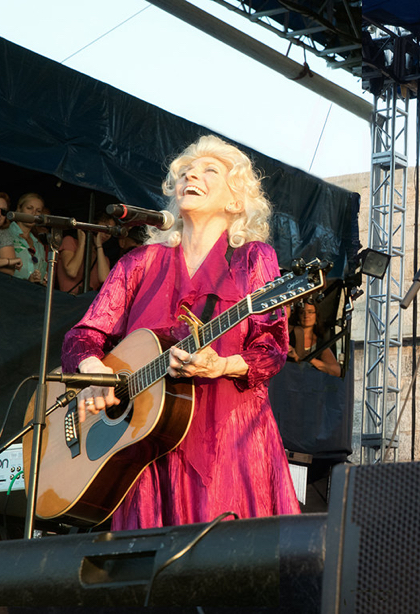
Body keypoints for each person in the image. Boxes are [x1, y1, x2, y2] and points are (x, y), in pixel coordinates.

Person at [63, 134, 300, 529]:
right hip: (144, 442)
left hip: (228, 433)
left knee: (228, 562)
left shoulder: (254, 258)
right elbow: (83, 335)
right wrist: (95, 373)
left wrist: (221, 364)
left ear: (235, 200)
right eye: (186, 171)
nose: (192, 174)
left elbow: (272, 346)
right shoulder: (140, 262)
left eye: (210, 170)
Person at [55, 212, 115, 294]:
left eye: (110, 231)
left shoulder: (103, 258)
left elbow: (104, 279)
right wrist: (82, 243)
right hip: (68, 300)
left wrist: (99, 246)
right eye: (105, 228)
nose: (107, 234)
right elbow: (72, 271)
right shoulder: (70, 242)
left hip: (88, 302)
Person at [0, 193, 48, 284]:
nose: (33, 213)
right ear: (19, 208)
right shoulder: (5, 233)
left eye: (38, 211)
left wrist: (43, 279)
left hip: (31, 294)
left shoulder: (38, 244)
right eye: (29, 208)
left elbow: (42, 273)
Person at [288, 299, 341, 377]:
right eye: (302, 312)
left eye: (310, 312)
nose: (306, 316)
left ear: (316, 316)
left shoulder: (320, 343)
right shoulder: (288, 336)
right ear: (298, 317)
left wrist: (311, 360)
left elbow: (336, 371)